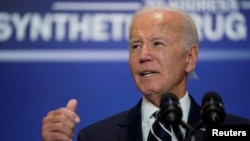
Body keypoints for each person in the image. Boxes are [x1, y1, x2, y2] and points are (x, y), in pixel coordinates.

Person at [41, 5, 250, 141]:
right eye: (135, 46)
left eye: (157, 43)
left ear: (190, 58)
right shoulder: (96, 136)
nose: (143, 55)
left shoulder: (235, 131)